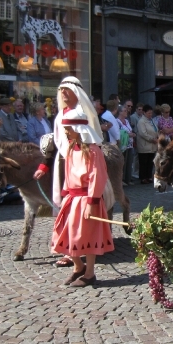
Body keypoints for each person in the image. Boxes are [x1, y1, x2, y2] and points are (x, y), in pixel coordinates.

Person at [34, 76, 104, 268]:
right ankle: (69, 249)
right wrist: (44, 165)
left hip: (85, 158)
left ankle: (89, 245)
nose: (63, 93)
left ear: (76, 91)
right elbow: (55, 142)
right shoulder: (59, 115)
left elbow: (92, 140)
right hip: (65, 161)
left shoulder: (84, 114)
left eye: (67, 89)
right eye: (61, 90)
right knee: (63, 208)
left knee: (84, 207)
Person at [50, 107, 114, 288]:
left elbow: (97, 176)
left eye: (68, 128)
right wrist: (65, 193)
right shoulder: (71, 149)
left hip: (87, 199)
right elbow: (68, 173)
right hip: (73, 198)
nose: (66, 132)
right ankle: (78, 266)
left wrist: (92, 202)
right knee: (66, 234)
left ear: (78, 129)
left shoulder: (94, 151)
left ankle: (90, 273)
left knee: (85, 237)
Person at [136, 104, 158, 184]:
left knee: (150, 162)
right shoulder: (141, 121)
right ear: (144, 112)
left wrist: (157, 136)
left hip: (152, 146)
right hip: (144, 145)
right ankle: (143, 177)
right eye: (149, 113)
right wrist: (152, 139)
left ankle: (149, 176)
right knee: (143, 162)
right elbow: (143, 133)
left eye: (151, 113)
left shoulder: (152, 121)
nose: (150, 115)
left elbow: (155, 130)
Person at [117, 105, 135, 185]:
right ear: (120, 112)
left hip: (130, 144)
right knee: (122, 162)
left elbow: (130, 130)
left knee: (129, 162)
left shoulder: (127, 121)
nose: (126, 112)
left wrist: (132, 134)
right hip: (122, 145)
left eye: (126, 111)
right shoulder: (117, 121)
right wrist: (129, 134)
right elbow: (119, 132)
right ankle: (121, 180)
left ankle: (128, 179)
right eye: (124, 110)